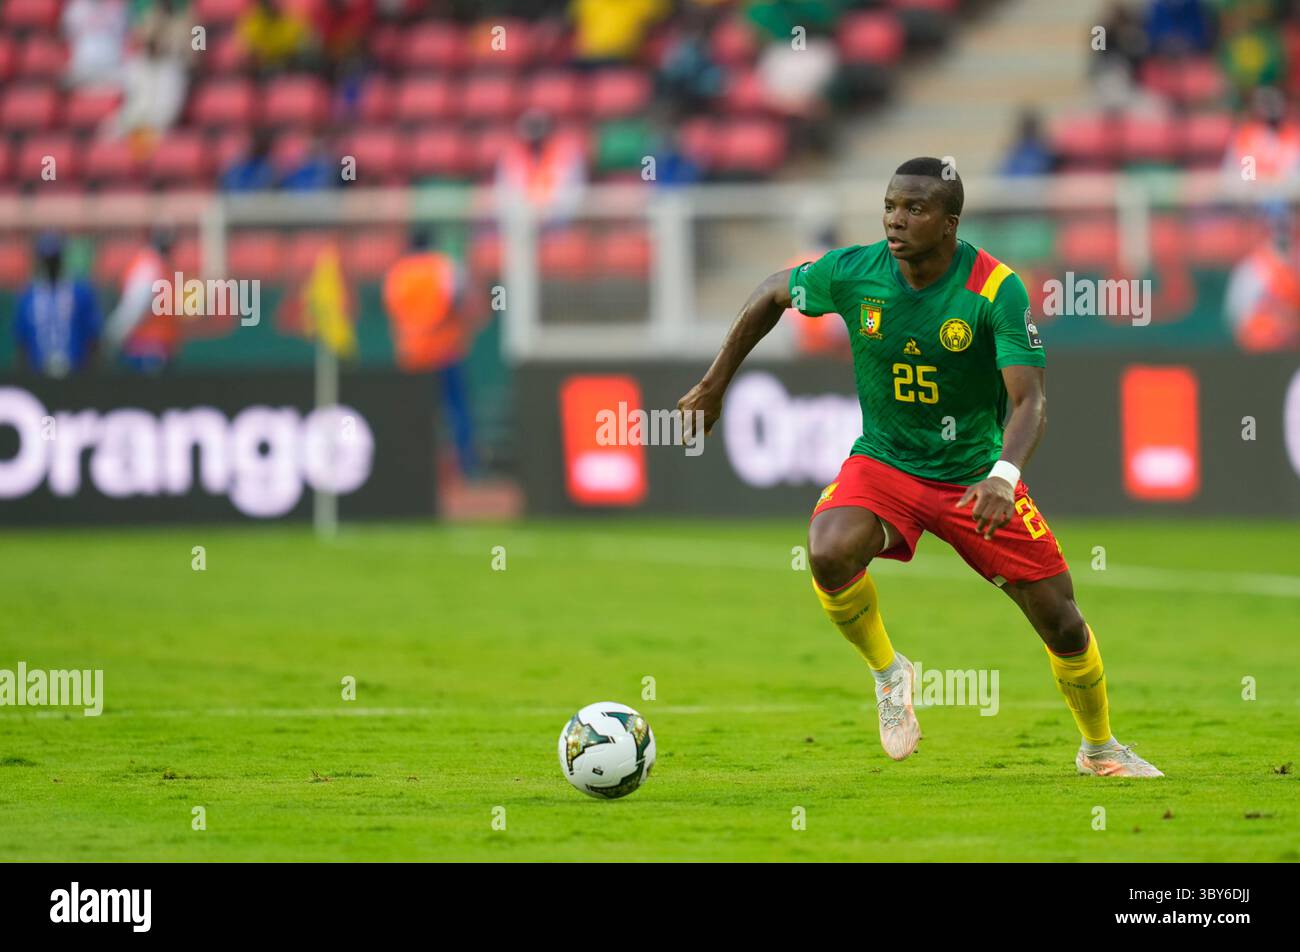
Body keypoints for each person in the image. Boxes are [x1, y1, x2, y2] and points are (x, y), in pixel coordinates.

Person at [676, 157, 1164, 778]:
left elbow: (1030, 401)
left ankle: (1100, 750)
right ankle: (889, 674)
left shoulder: (994, 289)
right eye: (889, 206)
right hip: (887, 464)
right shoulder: (855, 273)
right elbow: (773, 291)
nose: (895, 221)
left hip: (974, 475)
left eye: (914, 209)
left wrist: (1003, 478)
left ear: (950, 223)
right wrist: (716, 382)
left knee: (1061, 621)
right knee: (827, 551)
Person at [382, 230, 479, 476]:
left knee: (414, 414)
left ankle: (411, 467)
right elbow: (459, 301)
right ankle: (468, 468)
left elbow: (393, 312)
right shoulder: (444, 267)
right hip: (444, 351)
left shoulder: (398, 273)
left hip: (413, 356)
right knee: (457, 412)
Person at [13, 233, 102, 378]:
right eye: (47, 260)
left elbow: (93, 338)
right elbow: (21, 342)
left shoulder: (80, 292)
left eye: (53, 259)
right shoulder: (28, 295)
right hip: (38, 375)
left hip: (76, 375)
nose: (50, 265)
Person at [104, 229, 180, 373]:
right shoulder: (148, 266)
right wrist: (113, 336)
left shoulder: (158, 264)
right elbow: (135, 308)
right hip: (145, 351)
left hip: (159, 347)